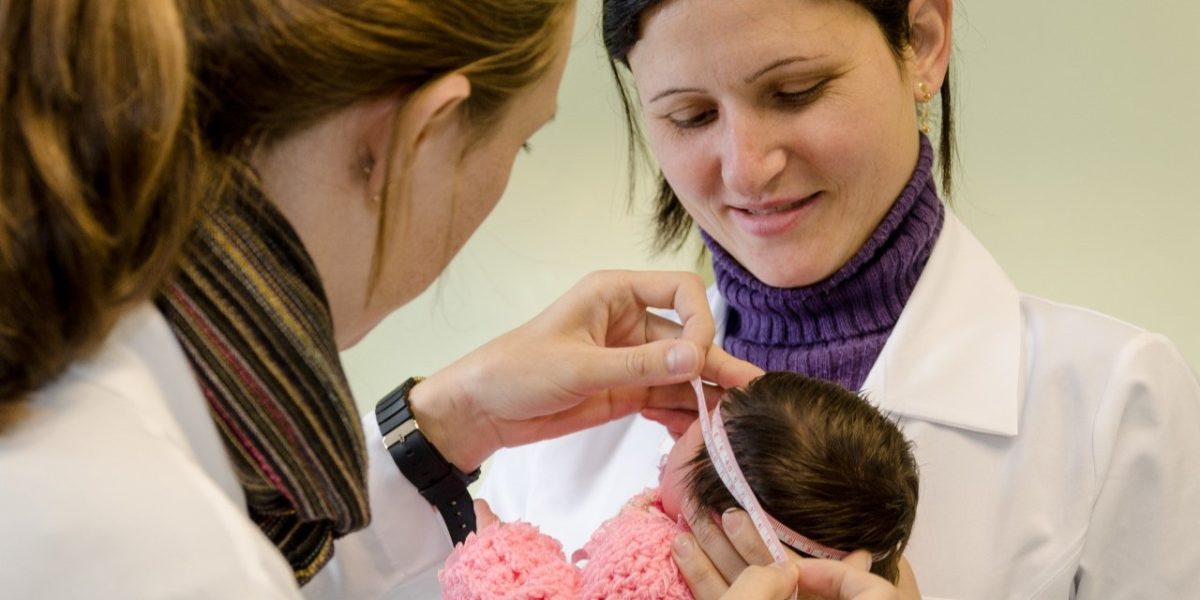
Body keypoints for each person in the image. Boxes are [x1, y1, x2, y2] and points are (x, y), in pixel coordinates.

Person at [0, 0, 762, 597]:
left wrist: (439, 429)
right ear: (422, 137)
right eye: (519, 142)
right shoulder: (143, 546)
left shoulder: (88, 357)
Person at [480, 0, 1200, 598]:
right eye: (692, 116)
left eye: (794, 93)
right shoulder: (560, 420)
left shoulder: (1117, 400)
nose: (748, 168)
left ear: (921, 43)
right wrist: (432, 430)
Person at [439, 372, 917, 598]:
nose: (669, 444)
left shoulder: (649, 563)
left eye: (691, 436)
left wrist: (494, 555)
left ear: (712, 518)